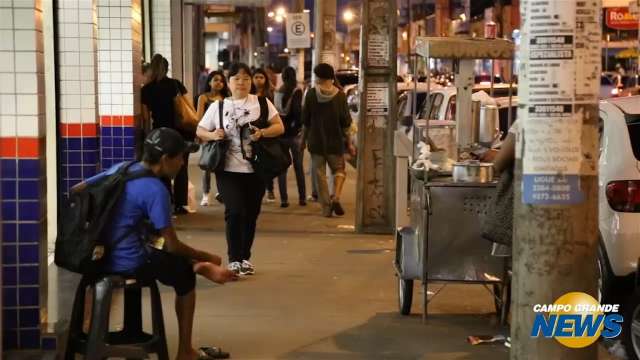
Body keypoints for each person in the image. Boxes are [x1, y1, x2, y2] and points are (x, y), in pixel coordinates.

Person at [72, 128, 238, 360]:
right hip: (129, 260)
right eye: (180, 157)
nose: (182, 163)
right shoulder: (155, 190)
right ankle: (185, 351)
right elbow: (171, 245)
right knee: (184, 278)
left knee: (161, 249)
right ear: (165, 160)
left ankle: (194, 264)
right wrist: (208, 256)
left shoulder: (122, 168)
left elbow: (77, 189)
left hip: (99, 255)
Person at [196, 62, 285, 276]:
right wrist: (213, 134)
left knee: (251, 214)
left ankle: (245, 257)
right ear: (229, 82)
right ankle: (234, 258)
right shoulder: (218, 106)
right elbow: (200, 130)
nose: (242, 82)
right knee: (234, 211)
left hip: (256, 169)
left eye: (246, 78)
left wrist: (262, 133)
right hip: (227, 168)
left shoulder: (261, 102)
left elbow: (279, 127)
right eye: (237, 78)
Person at [141, 54, 194, 215]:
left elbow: (145, 117)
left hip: (161, 134)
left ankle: (167, 202)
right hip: (181, 132)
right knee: (181, 167)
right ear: (166, 68)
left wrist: (147, 135)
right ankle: (180, 204)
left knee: (162, 168)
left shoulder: (146, 90)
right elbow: (187, 106)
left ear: (151, 70)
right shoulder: (175, 84)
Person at [301, 63, 354, 217]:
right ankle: (336, 196)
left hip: (316, 142)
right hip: (335, 142)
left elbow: (306, 122)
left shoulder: (311, 94)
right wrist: (349, 143)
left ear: (319, 77)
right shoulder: (340, 96)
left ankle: (326, 208)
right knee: (339, 171)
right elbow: (346, 123)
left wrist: (302, 141)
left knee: (320, 175)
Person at [274, 66, 306, 207]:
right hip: (293, 135)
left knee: (282, 168)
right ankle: (302, 198)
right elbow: (298, 112)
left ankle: (284, 200)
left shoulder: (278, 91)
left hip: (280, 134)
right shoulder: (296, 91)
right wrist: (298, 127)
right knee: (298, 166)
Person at [196, 71, 230, 206]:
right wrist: (200, 135)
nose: (219, 83)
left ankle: (221, 192)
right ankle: (206, 193)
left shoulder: (226, 98)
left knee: (221, 164)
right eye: (215, 80)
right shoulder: (203, 98)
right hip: (208, 136)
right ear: (209, 82)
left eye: (221, 81)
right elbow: (199, 119)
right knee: (208, 165)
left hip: (223, 136)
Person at [251, 68, 277, 201]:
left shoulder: (269, 94)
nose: (258, 80)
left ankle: (270, 189)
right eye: (256, 77)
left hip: (265, 132)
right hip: (251, 131)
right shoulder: (248, 94)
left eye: (261, 77)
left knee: (265, 162)